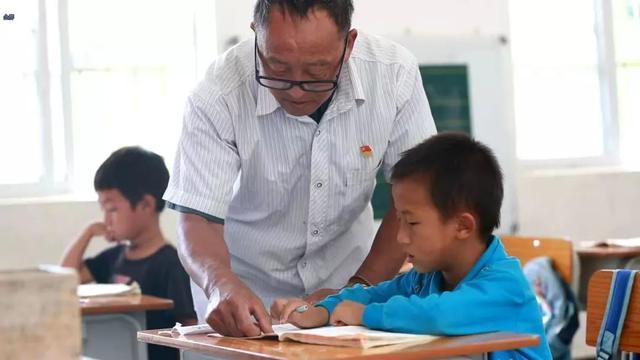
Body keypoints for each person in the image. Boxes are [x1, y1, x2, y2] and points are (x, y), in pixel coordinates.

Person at [164, 0, 436, 337]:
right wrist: (220, 284)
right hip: (244, 303)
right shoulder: (218, 93)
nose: (294, 89)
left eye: (316, 71)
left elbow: (415, 199)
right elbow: (197, 217)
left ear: (349, 45)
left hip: (352, 289)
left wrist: (356, 292)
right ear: (256, 35)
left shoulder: (394, 75)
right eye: (277, 68)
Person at [272, 133, 552, 359]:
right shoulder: (424, 278)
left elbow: (440, 314)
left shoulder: (505, 286)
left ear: (463, 226)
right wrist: (323, 310)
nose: (401, 238)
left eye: (412, 223)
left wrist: (365, 315)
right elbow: (373, 294)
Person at [61, 146, 197, 360]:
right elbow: (64, 281)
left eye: (112, 209)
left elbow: (190, 329)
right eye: (103, 209)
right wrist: (87, 233)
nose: (106, 219)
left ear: (145, 205)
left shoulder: (170, 263)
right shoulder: (113, 258)